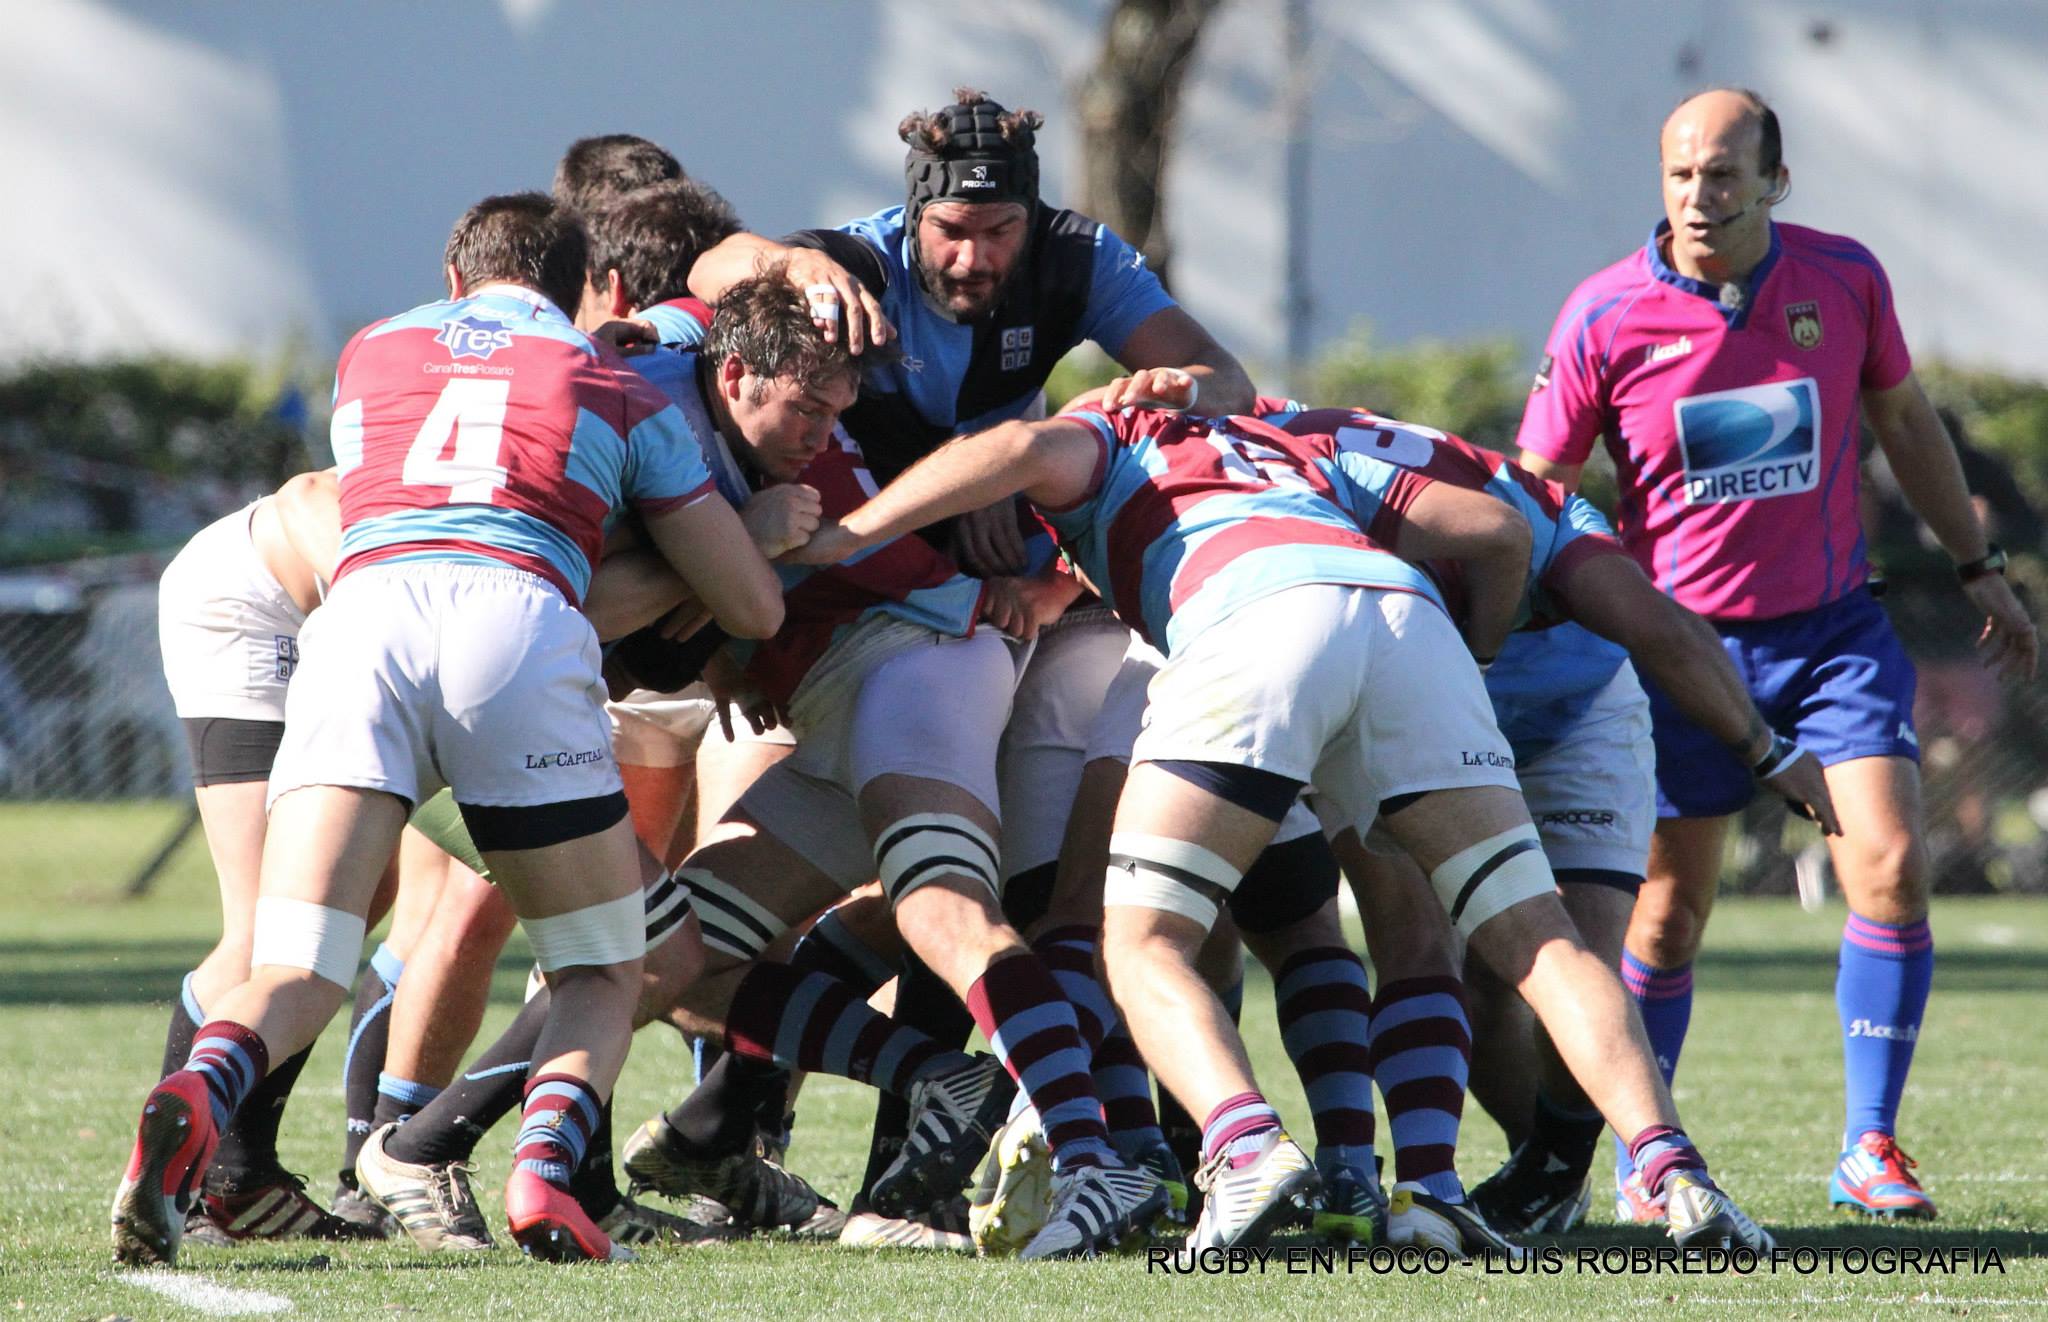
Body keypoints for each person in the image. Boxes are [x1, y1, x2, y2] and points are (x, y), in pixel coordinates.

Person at [793, 389, 1775, 1254]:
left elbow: (1012, 446)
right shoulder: (1295, 440)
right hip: (1405, 620)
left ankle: (1243, 1144)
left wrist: (847, 534)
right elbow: (1490, 526)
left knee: (1140, 942)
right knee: (1535, 936)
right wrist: (1475, 655)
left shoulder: (1112, 432)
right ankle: (1673, 1174)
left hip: (1253, 617)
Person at [109, 191, 783, 1268]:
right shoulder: (614, 385)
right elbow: (749, 604)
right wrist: (752, 530)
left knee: (298, 963)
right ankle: (544, 1174)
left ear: (455, 276)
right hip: (511, 627)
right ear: (577, 287)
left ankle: (201, 1085)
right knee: (603, 967)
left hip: (358, 622)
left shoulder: (372, 351)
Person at [684, 88, 1256, 1228]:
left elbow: (1220, 384)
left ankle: (1118, 1152)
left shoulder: (1076, 260)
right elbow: (714, 271)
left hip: (962, 629)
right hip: (838, 629)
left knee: (988, 902)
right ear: (912, 220)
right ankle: (723, 1130)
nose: (975, 255)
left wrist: (1145, 403)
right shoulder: (845, 269)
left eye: (1000, 231)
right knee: (663, 947)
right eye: (952, 229)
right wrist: (787, 264)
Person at [1515, 88, 2037, 1222]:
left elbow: (1907, 423)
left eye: (1721, 175)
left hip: (1832, 634)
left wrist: (1976, 566)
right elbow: (1537, 488)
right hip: (1677, 656)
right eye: (1679, 175)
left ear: (1774, 183)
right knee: (1666, 914)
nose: (1698, 196)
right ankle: (1644, 1154)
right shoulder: (1603, 313)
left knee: (1890, 862)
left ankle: (1868, 1145)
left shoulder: (1842, 279)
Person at [153, 470, 421, 1246]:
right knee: (273, 930)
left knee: (356, 897)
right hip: (248, 606)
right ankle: (201, 1184)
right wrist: (380, 617)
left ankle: (238, 1169)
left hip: (324, 626)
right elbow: (308, 493)